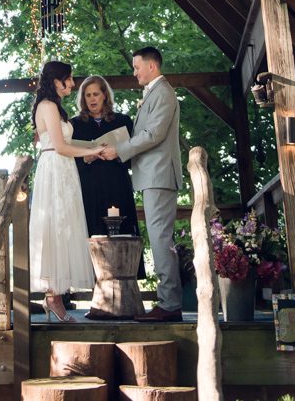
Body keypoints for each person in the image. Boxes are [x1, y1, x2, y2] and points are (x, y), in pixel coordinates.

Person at [102, 47, 182, 322]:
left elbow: (153, 134)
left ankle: (169, 304)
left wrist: (120, 150)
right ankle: (168, 301)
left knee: (161, 239)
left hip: (159, 175)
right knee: (159, 238)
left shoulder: (163, 93)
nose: (134, 72)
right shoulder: (154, 93)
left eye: (137, 67)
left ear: (151, 66)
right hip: (152, 175)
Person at [29, 60, 107, 322]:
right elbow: (60, 147)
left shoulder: (57, 108)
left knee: (65, 226)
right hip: (54, 169)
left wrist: (87, 153)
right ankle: (53, 296)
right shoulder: (48, 106)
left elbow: (66, 144)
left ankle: (56, 295)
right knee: (54, 226)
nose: (73, 84)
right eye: (69, 79)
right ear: (56, 81)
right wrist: (92, 150)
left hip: (65, 170)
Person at [71, 75, 145, 279]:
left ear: (105, 95)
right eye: (87, 95)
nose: (92, 99)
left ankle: (127, 289)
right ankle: (97, 299)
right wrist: (86, 157)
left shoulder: (123, 121)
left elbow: (133, 158)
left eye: (96, 94)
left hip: (117, 186)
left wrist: (117, 151)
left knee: (122, 234)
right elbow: (68, 162)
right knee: (93, 235)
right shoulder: (75, 125)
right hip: (90, 189)